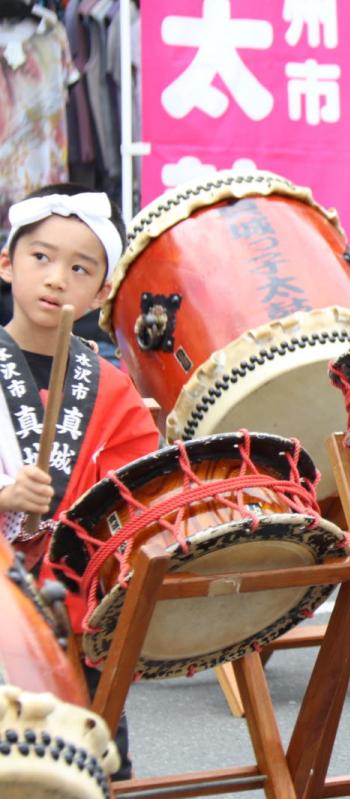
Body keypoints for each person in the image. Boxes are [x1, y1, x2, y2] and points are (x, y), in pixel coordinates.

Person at [0, 183, 160, 779]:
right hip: (3, 606)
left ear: (99, 294)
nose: (56, 278)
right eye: (40, 257)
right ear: (7, 263)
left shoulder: (113, 388)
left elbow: (136, 496)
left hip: (77, 601)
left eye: (79, 267)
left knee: (94, 761)